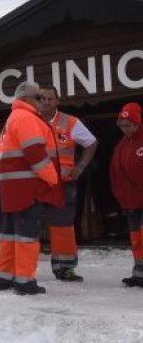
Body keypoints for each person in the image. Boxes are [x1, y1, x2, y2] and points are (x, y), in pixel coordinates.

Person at [0, 81, 63, 296]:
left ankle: (2, 277)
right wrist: (53, 179)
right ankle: (24, 281)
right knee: (27, 236)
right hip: (27, 188)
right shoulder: (26, 118)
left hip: (12, 189)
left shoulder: (12, 118)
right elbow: (36, 154)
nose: (43, 101)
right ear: (27, 99)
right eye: (39, 97)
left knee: (10, 234)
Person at [37, 86, 98, 282]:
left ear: (57, 101)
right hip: (36, 183)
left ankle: (65, 267)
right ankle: (23, 270)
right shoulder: (30, 121)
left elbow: (91, 142)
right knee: (27, 224)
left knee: (63, 225)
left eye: (50, 98)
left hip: (63, 184)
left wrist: (81, 166)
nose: (46, 101)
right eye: (42, 98)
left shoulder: (70, 122)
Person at [109, 103, 143, 287]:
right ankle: (139, 273)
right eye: (122, 126)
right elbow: (114, 172)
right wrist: (119, 195)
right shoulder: (121, 144)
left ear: (138, 123)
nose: (125, 129)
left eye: (129, 125)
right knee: (136, 239)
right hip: (130, 201)